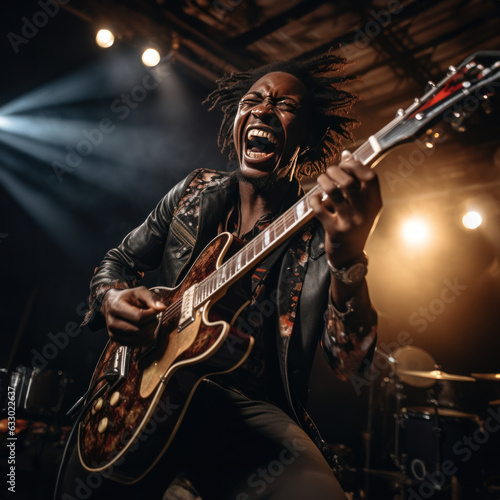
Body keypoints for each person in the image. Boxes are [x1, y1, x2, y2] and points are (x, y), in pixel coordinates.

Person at [62, 51, 381, 500]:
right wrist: (112, 298)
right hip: (147, 389)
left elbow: (349, 361)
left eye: (285, 106)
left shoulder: (317, 229)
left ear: (307, 138)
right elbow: (116, 260)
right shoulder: (194, 192)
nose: (265, 110)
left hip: (250, 410)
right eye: (253, 100)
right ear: (237, 120)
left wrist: (348, 258)